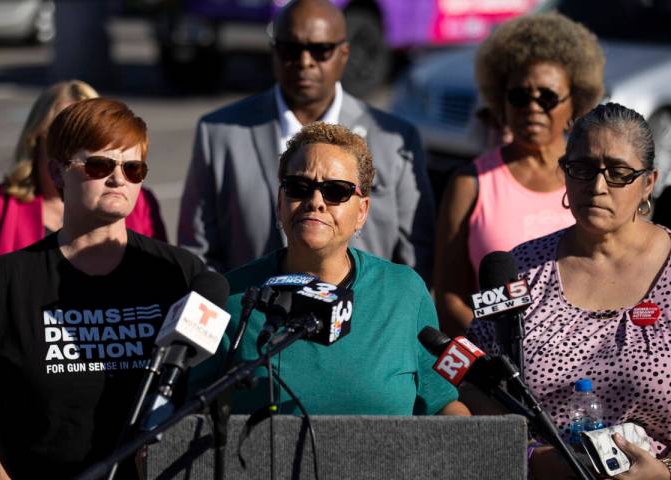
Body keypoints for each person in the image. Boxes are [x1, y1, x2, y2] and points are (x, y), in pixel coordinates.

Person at [0, 98, 209, 479]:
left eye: (133, 168)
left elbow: (203, 393)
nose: (118, 178)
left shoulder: (178, 273)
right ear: (57, 172)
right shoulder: (7, 280)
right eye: (100, 165)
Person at [192, 122, 468, 417]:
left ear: (362, 211)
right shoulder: (228, 297)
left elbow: (442, 406)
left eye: (336, 191)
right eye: (299, 188)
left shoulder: (404, 292)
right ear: (279, 203)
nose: (315, 202)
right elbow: (183, 411)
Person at [471, 103, 671, 480]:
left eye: (618, 173)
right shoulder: (521, 267)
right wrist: (530, 457)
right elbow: (471, 380)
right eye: (582, 169)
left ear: (649, 182)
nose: (597, 187)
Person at [178, 0, 435, 284]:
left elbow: (416, 256)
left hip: (363, 322)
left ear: (344, 53)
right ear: (274, 52)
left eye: (320, 50)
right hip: (252, 320)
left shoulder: (394, 139)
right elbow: (198, 252)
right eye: (291, 49)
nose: (305, 61)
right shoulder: (219, 132)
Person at [434, 13, 606, 337]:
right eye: (519, 96)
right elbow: (449, 296)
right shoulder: (470, 183)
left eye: (548, 97)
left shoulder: (595, 178)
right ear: (502, 102)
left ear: (575, 103)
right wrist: (498, 348)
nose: (533, 107)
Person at [0, 80, 167, 308]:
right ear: (35, 140)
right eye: (60, 135)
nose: (116, 178)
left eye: (90, 138)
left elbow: (162, 283)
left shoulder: (139, 202)